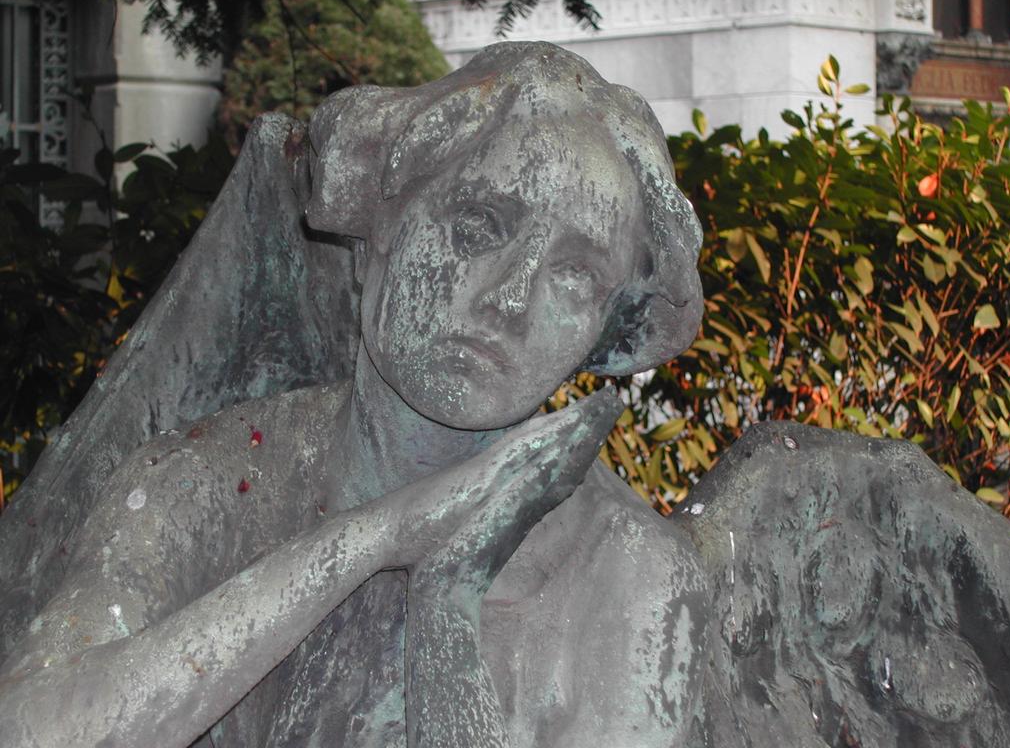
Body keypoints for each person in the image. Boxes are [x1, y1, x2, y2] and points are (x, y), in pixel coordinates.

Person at [0, 42, 711, 747]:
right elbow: (34, 729)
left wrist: (447, 608)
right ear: (382, 224)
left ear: (601, 325)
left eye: (577, 276)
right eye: (477, 227)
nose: (511, 300)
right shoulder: (202, 483)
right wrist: (375, 537)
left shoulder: (630, 578)